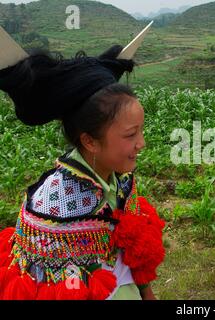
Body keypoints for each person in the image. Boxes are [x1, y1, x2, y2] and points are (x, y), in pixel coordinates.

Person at [0, 24, 165, 300]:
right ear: (90, 141)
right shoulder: (51, 208)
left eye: (141, 130)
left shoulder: (119, 180)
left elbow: (131, 254)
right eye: (130, 134)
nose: (142, 143)